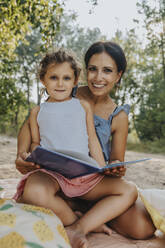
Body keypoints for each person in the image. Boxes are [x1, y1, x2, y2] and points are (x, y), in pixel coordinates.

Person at [15, 41, 156, 240]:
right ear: (84, 73)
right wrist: (21, 154)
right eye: (93, 69)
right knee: (36, 191)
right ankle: (78, 217)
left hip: (91, 182)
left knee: (143, 228)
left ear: (118, 75)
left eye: (107, 71)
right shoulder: (66, 91)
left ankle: (81, 219)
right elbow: (30, 127)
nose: (98, 77)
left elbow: (114, 158)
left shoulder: (118, 115)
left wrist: (115, 167)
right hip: (57, 178)